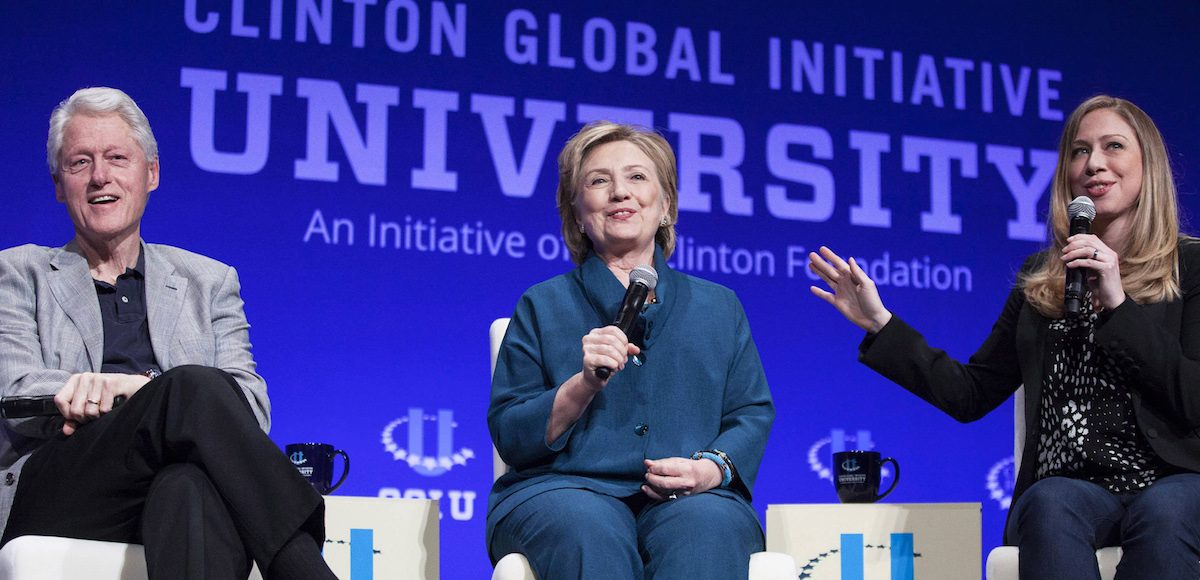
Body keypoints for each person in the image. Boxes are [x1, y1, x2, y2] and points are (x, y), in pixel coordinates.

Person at [809, 95, 1200, 579]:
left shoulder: (1191, 268)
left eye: (1113, 146)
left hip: (1175, 480)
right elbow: (971, 393)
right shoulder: (1043, 278)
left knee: (1165, 513)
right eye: (1079, 151)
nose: (1094, 163)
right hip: (1076, 487)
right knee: (1049, 503)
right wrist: (880, 323)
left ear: (1149, 166)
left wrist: (1119, 306)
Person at [0, 87, 337, 580]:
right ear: (58, 183)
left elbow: (250, 407)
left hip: (162, 487)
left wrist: (138, 390)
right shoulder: (18, 272)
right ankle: (304, 569)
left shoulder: (209, 281)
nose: (100, 177)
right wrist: (140, 397)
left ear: (150, 173)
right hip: (62, 485)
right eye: (80, 163)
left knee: (188, 487)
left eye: (118, 158)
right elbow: (15, 390)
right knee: (193, 385)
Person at [487, 121, 775, 579]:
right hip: (561, 491)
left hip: (689, 496)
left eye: (637, 177)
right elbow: (510, 432)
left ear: (665, 205)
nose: (620, 192)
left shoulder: (719, 307)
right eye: (599, 181)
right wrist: (581, 386)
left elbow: (750, 413)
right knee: (588, 531)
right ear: (578, 214)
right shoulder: (542, 304)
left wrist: (710, 470)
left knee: (709, 528)